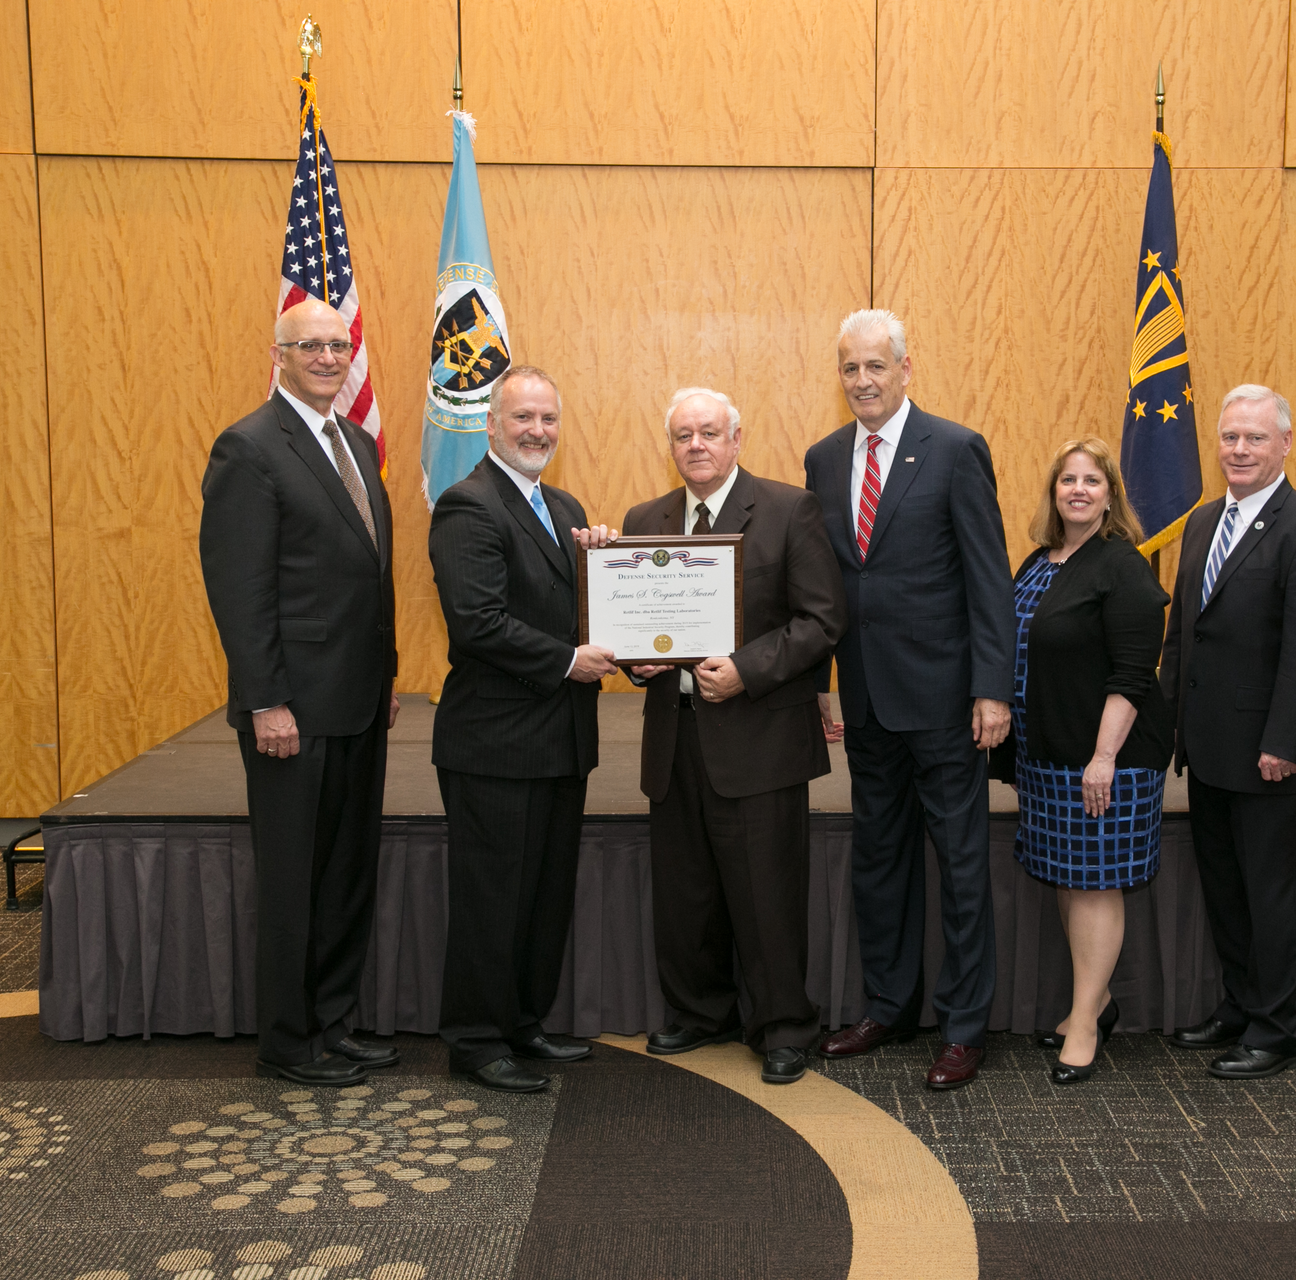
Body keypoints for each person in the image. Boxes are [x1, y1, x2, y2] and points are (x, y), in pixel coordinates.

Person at [579, 388, 846, 1086]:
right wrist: (637, 661)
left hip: (759, 737)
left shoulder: (789, 510)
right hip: (676, 737)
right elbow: (637, 629)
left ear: (736, 439)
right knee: (687, 890)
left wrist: (746, 672)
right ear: (670, 445)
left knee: (767, 894)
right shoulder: (646, 520)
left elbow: (821, 622)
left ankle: (784, 1026)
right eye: (683, 435)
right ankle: (702, 1014)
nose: (696, 445)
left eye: (709, 433)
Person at [803, 309, 1013, 1090]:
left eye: (875, 367)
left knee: (960, 866)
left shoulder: (955, 450)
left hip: (947, 700)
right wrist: (820, 683)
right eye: (850, 369)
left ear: (905, 368)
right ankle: (888, 1007)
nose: (862, 381)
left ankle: (964, 1027)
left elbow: (988, 577)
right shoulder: (823, 460)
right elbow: (822, 584)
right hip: (864, 699)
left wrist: (993, 688)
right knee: (879, 862)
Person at [198, 296, 401, 1087]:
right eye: (308, 345)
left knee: (346, 875)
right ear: (277, 352)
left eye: (336, 343)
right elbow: (239, 591)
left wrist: (384, 679)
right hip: (292, 712)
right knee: (292, 880)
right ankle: (289, 1041)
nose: (326, 356)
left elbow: (369, 577)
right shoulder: (248, 449)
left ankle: (334, 1021)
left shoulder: (352, 440)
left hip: (357, 703)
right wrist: (265, 700)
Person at [429, 365, 616, 1093]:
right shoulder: (467, 506)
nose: (537, 431)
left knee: (542, 893)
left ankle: (523, 1022)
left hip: (560, 741)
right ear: (491, 425)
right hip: (494, 745)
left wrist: (603, 568)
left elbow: (576, 609)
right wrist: (570, 660)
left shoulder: (560, 503)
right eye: (522, 419)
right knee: (492, 897)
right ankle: (476, 1039)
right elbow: (478, 624)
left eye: (547, 419)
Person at [1159, 384, 1296, 1080]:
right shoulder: (1205, 521)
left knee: (1272, 898)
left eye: (1255, 439)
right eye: (1230, 437)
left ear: (1286, 445)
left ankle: (1277, 1030)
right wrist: (1169, 725)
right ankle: (1240, 1007)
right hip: (1208, 751)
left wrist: (1284, 741)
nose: (1239, 450)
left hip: (1269, 758)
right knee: (1228, 892)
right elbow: (1185, 634)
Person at [998, 439, 1172, 1084]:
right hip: (1048, 756)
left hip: (1108, 762)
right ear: (1053, 492)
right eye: (1067, 480)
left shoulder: (1123, 566)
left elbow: (1133, 673)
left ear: (1111, 494)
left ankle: (1086, 1024)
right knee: (1071, 878)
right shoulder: (1040, 563)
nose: (1077, 490)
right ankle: (1091, 1002)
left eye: (1091, 481)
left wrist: (1103, 757)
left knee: (1096, 882)